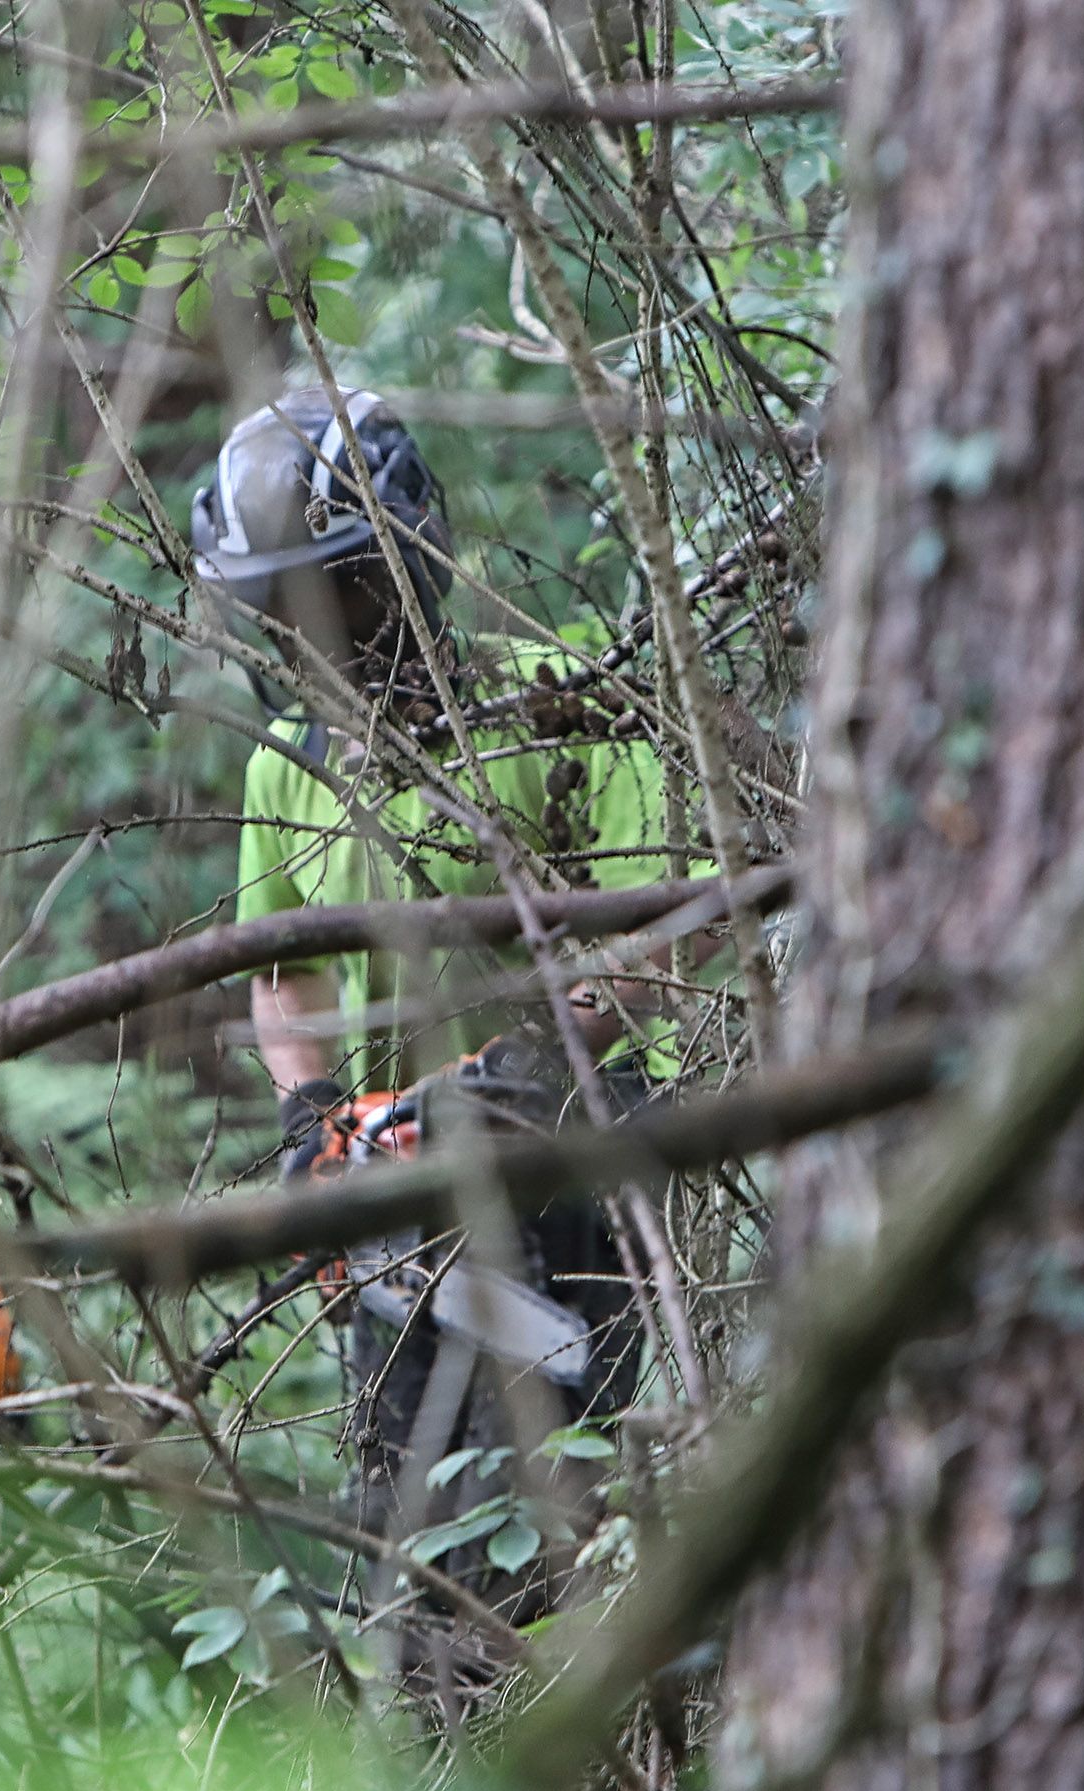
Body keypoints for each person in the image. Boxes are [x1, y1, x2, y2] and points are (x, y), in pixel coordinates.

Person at [189, 386, 699, 1589]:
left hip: (573, 1157)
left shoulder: (561, 707)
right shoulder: (291, 762)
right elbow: (286, 976)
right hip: (395, 1189)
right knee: (405, 1536)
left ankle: (577, 1740)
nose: (318, 631)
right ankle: (431, 1739)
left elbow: (660, 947)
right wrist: (313, 1117)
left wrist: (503, 1078)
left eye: (343, 592)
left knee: (545, 1513)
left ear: (411, 564)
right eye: (286, 610)